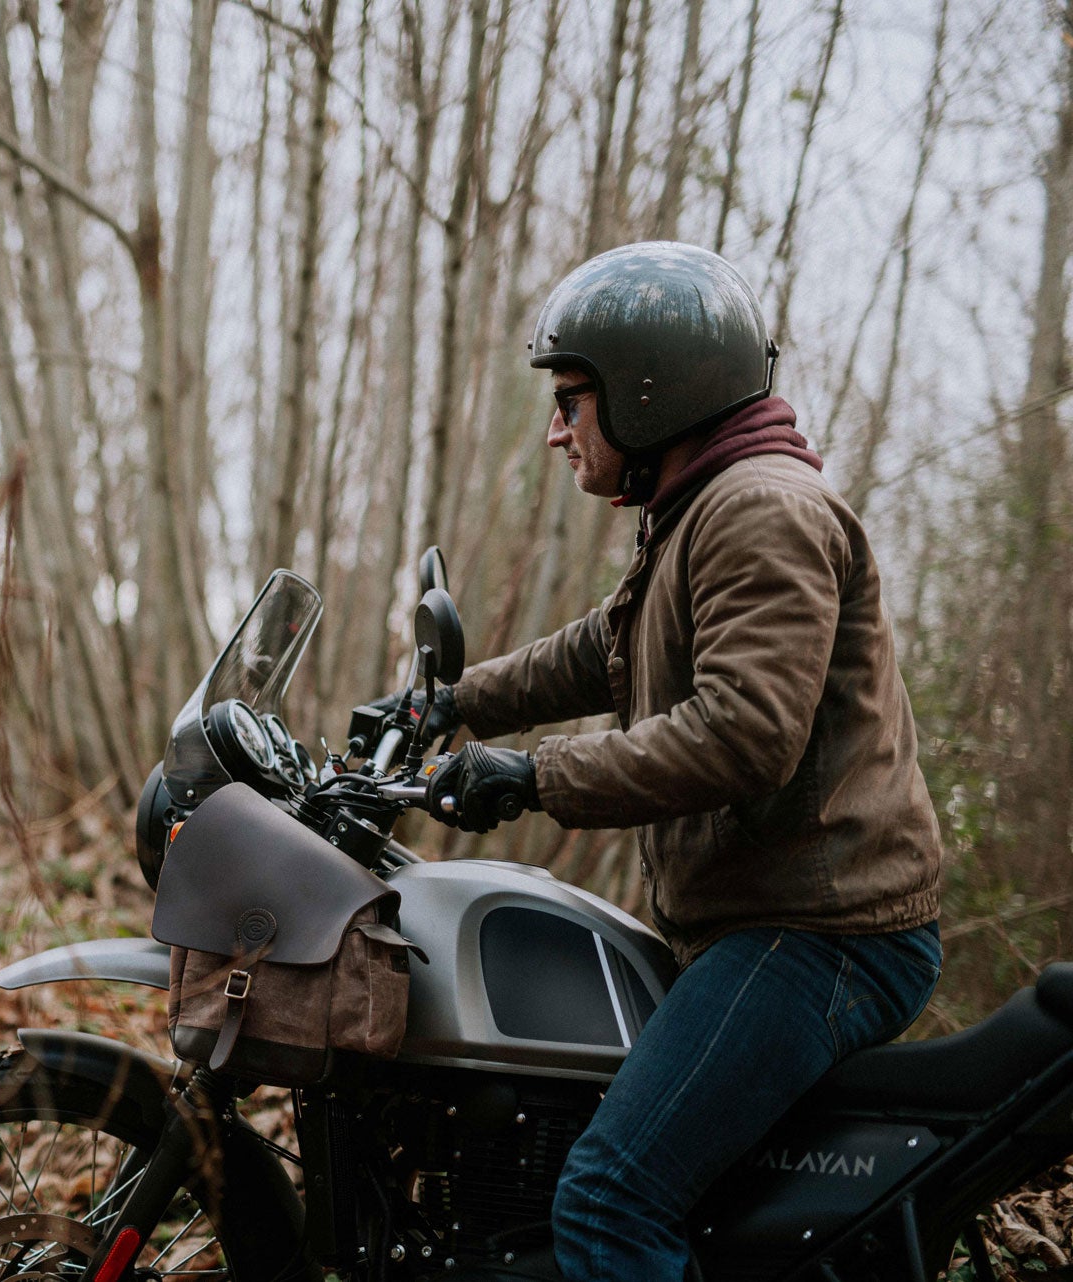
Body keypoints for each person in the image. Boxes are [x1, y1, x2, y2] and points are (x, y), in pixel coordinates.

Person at [418, 241, 945, 1282]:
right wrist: (450, 703)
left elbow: (745, 731)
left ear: (652, 394)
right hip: (768, 916)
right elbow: (602, 650)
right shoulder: (697, 507)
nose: (559, 428)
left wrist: (536, 777)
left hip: (825, 933)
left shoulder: (759, 511)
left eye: (575, 398)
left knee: (610, 1197)